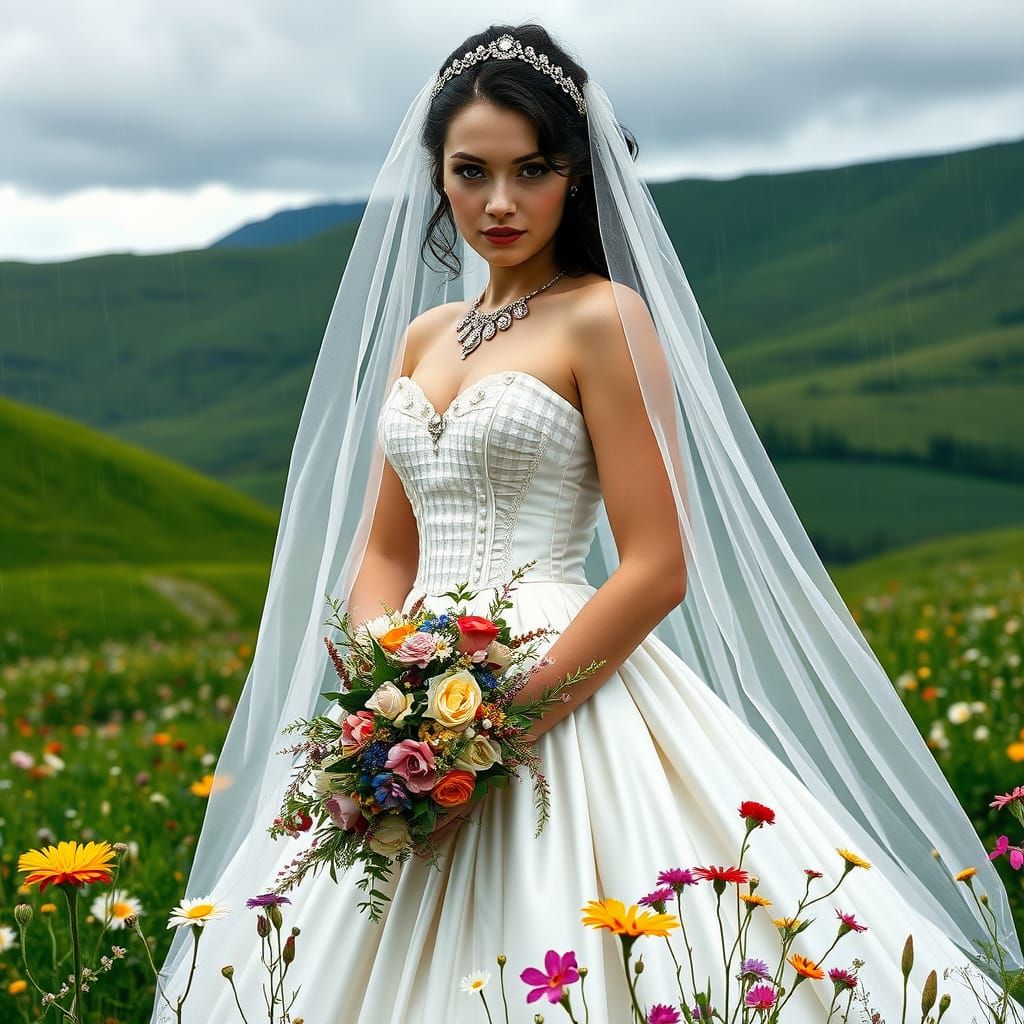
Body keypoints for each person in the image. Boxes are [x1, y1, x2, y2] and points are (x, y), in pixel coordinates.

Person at [151, 22, 1023, 1023]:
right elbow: (386, 548)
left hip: (560, 671)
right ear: (436, 177)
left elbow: (656, 565)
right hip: (405, 696)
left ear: (575, 174)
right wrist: (375, 696)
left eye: (531, 170)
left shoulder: (604, 317)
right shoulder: (423, 334)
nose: (499, 202)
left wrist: (496, 724)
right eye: (470, 172)